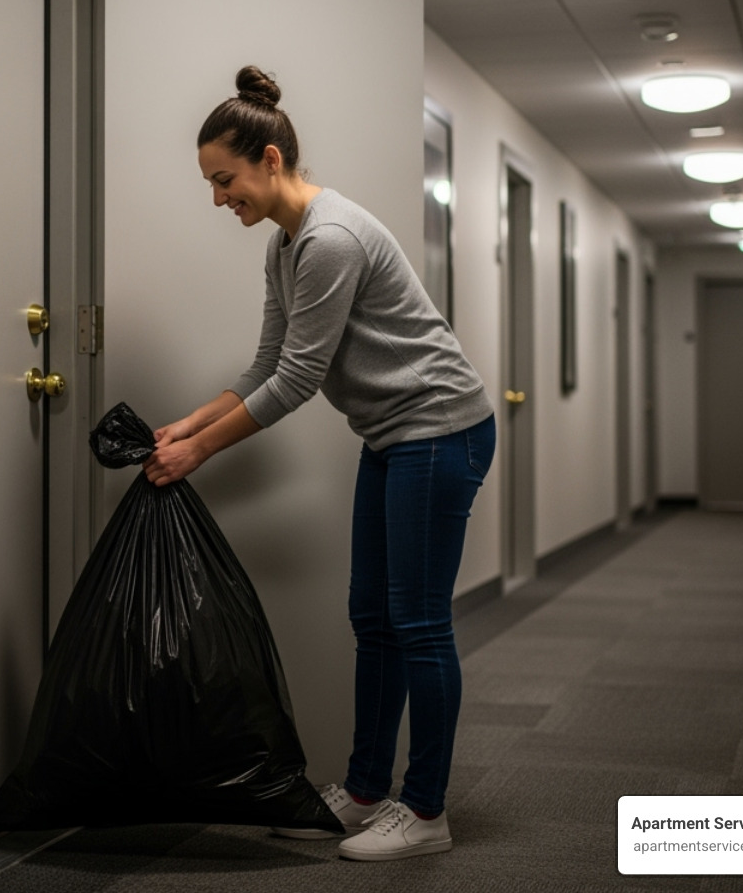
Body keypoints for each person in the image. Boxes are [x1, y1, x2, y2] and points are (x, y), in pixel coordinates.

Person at [143, 66, 496, 863]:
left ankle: (428, 811)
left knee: (418, 622)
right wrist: (188, 422)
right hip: (393, 435)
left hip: (441, 430)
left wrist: (200, 453)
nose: (217, 198)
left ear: (270, 160)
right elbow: (266, 363)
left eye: (224, 179)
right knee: (373, 617)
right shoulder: (286, 247)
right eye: (209, 183)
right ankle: (368, 789)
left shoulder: (331, 240)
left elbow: (298, 383)